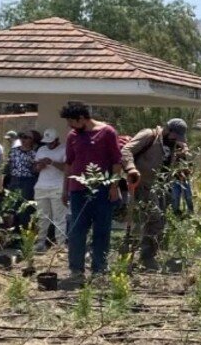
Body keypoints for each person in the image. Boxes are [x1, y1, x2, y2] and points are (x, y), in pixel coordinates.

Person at [61, 102, 123, 283]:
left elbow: (116, 162)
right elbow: (69, 164)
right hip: (78, 190)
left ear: (82, 118)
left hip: (102, 189)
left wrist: (113, 187)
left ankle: (99, 270)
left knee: (102, 230)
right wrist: (64, 189)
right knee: (76, 230)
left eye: (72, 121)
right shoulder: (73, 136)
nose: (70, 126)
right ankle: (76, 270)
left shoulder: (107, 132)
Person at [122, 118, 189, 271]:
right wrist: (131, 168)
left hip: (161, 187)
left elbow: (168, 163)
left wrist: (181, 159)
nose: (175, 140)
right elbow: (126, 150)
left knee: (159, 222)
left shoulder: (173, 144)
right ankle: (141, 258)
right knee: (152, 219)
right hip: (143, 185)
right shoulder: (149, 136)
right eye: (174, 136)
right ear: (167, 130)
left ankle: (146, 257)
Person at [33, 128, 67, 252]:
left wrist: (52, 162)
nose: (48, 144)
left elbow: (67, 168)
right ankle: (40, 242)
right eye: (46, 142)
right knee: (42, 217)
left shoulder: (64, 149)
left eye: (51, 142)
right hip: (41, 186)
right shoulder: (41, 149)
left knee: (59, 218)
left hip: (57, 187)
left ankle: (60, 245)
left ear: (57, 140)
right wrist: (39, 166)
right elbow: (35, 168)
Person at [3, 130, 40, 230]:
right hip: (14, 180)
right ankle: (9, 233)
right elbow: (8, 166)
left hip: (27, 181)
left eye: (27, 137)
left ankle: (23, 234)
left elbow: (35, 170)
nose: (23, 139)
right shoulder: (14, 151)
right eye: (22, 136)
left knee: (24, 208)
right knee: (10, 207)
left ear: (33, 141)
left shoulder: (34, 154)